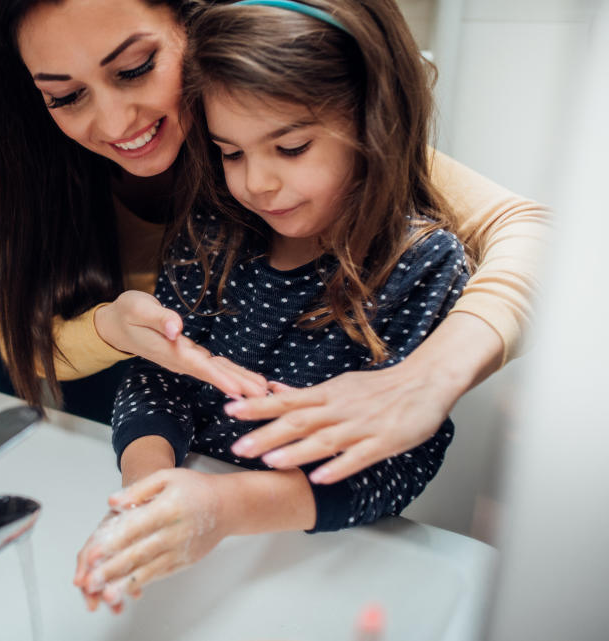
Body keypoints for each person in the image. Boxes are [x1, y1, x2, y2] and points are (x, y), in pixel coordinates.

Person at [0, 0, 546, 473]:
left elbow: (533, 233)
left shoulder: (269, 117)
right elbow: (23, 348)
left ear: (194, 24)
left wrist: (429, 378)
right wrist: (108, 329)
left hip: (150, 334)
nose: (114, 123)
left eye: (136, 69)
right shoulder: (32, 165)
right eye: (65, 96)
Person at [73, 0, 472, 610]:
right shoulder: (212, 229)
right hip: (197, 523)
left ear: (373, 121)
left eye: (289, 148)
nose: (254, 182)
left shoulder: (421, 263)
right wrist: (150, 486)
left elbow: (396, 462)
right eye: (231, 152)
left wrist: (223, 508)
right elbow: (160, 378)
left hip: (321, 557)